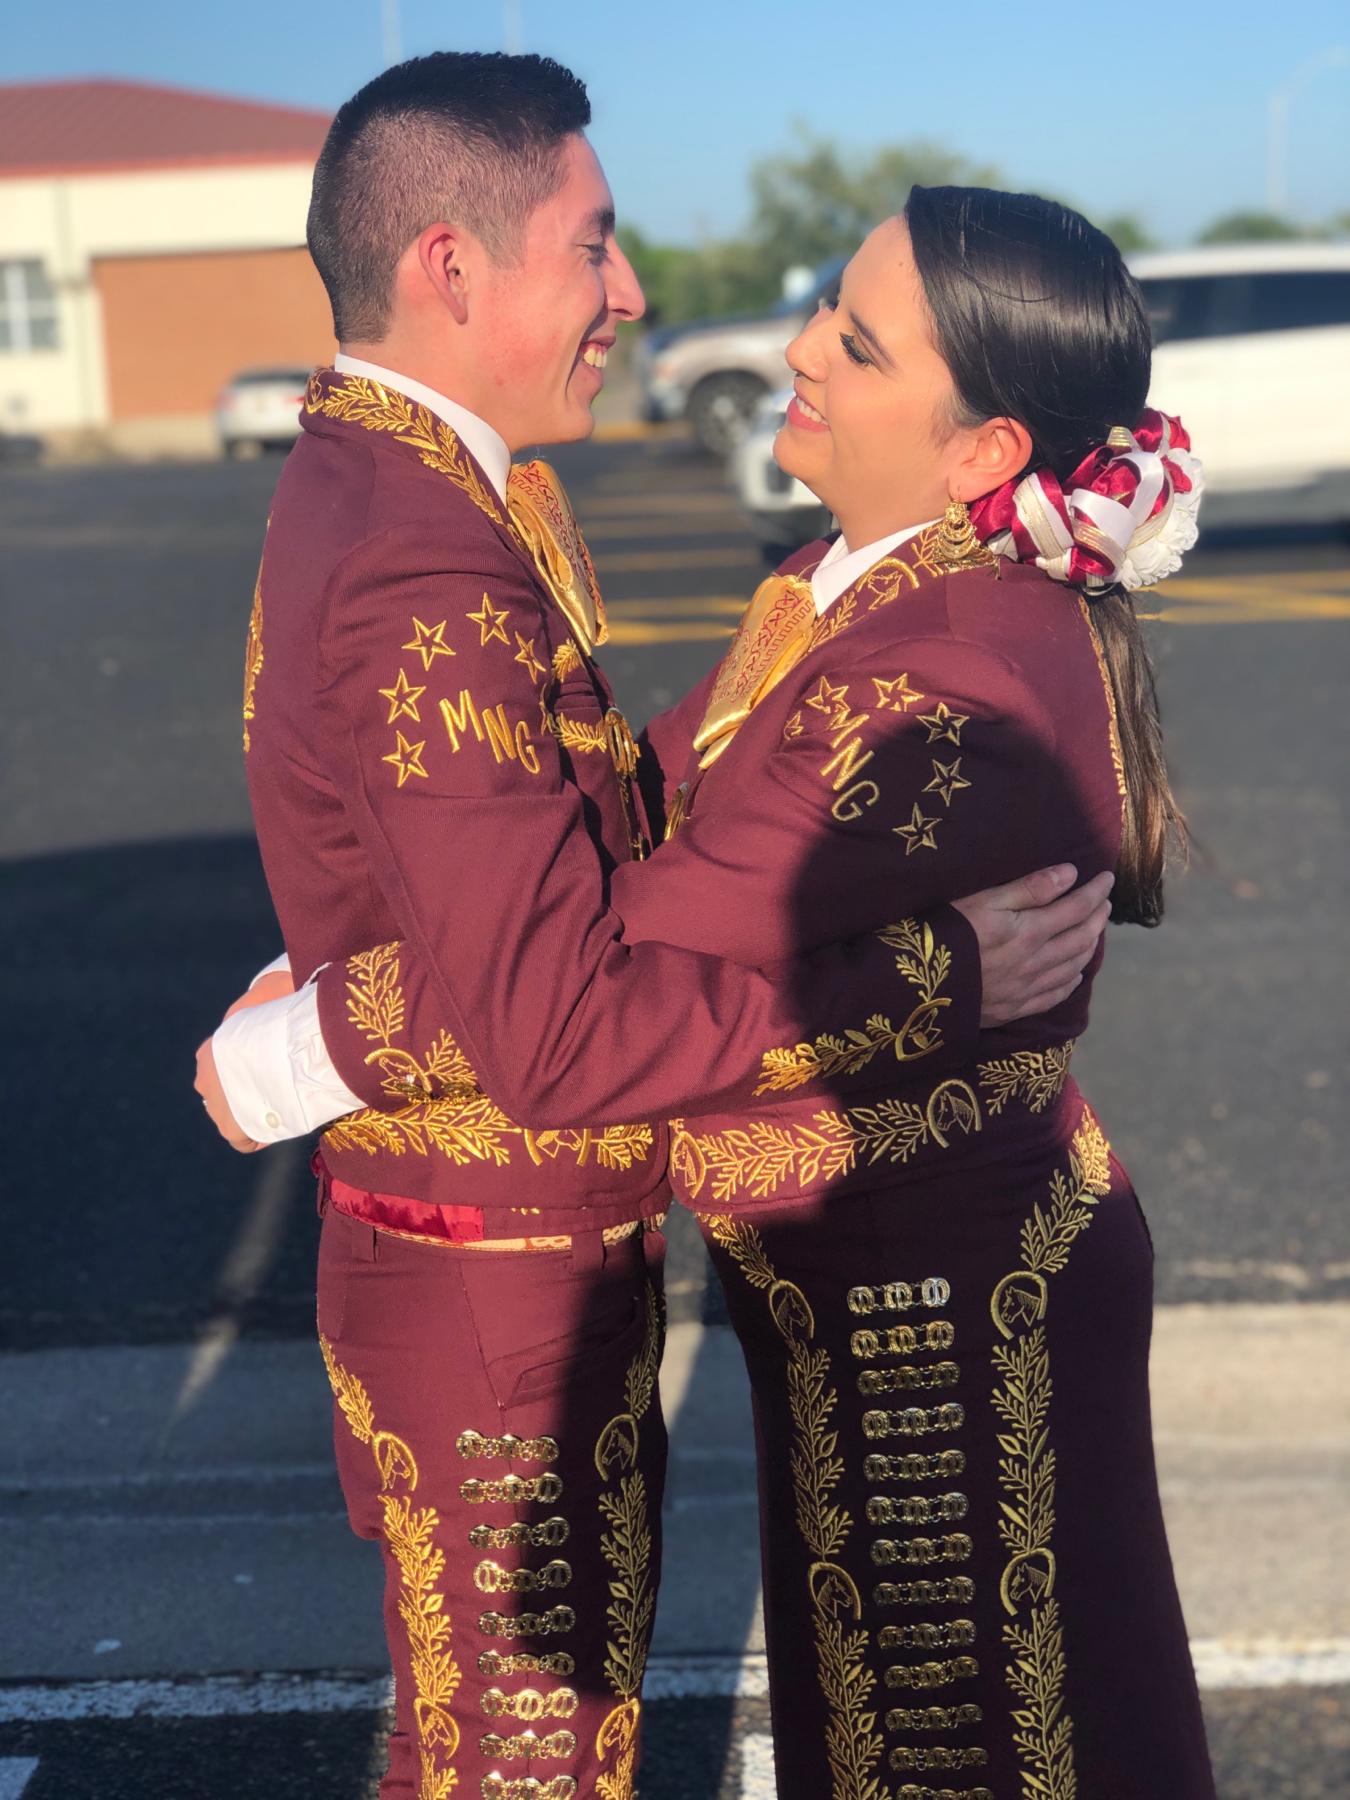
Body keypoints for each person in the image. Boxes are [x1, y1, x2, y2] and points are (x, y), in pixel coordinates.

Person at [194, 55, 1106, 1800]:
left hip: (490, 1253)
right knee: (522, 1772)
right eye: (594, 246)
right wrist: (948, 970)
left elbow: (568, 846)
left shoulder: (382, 487)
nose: (635, 293)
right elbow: (551, 1017)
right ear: (453, 268)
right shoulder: (422, 553)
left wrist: (322, 1019)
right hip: (488, 1284)